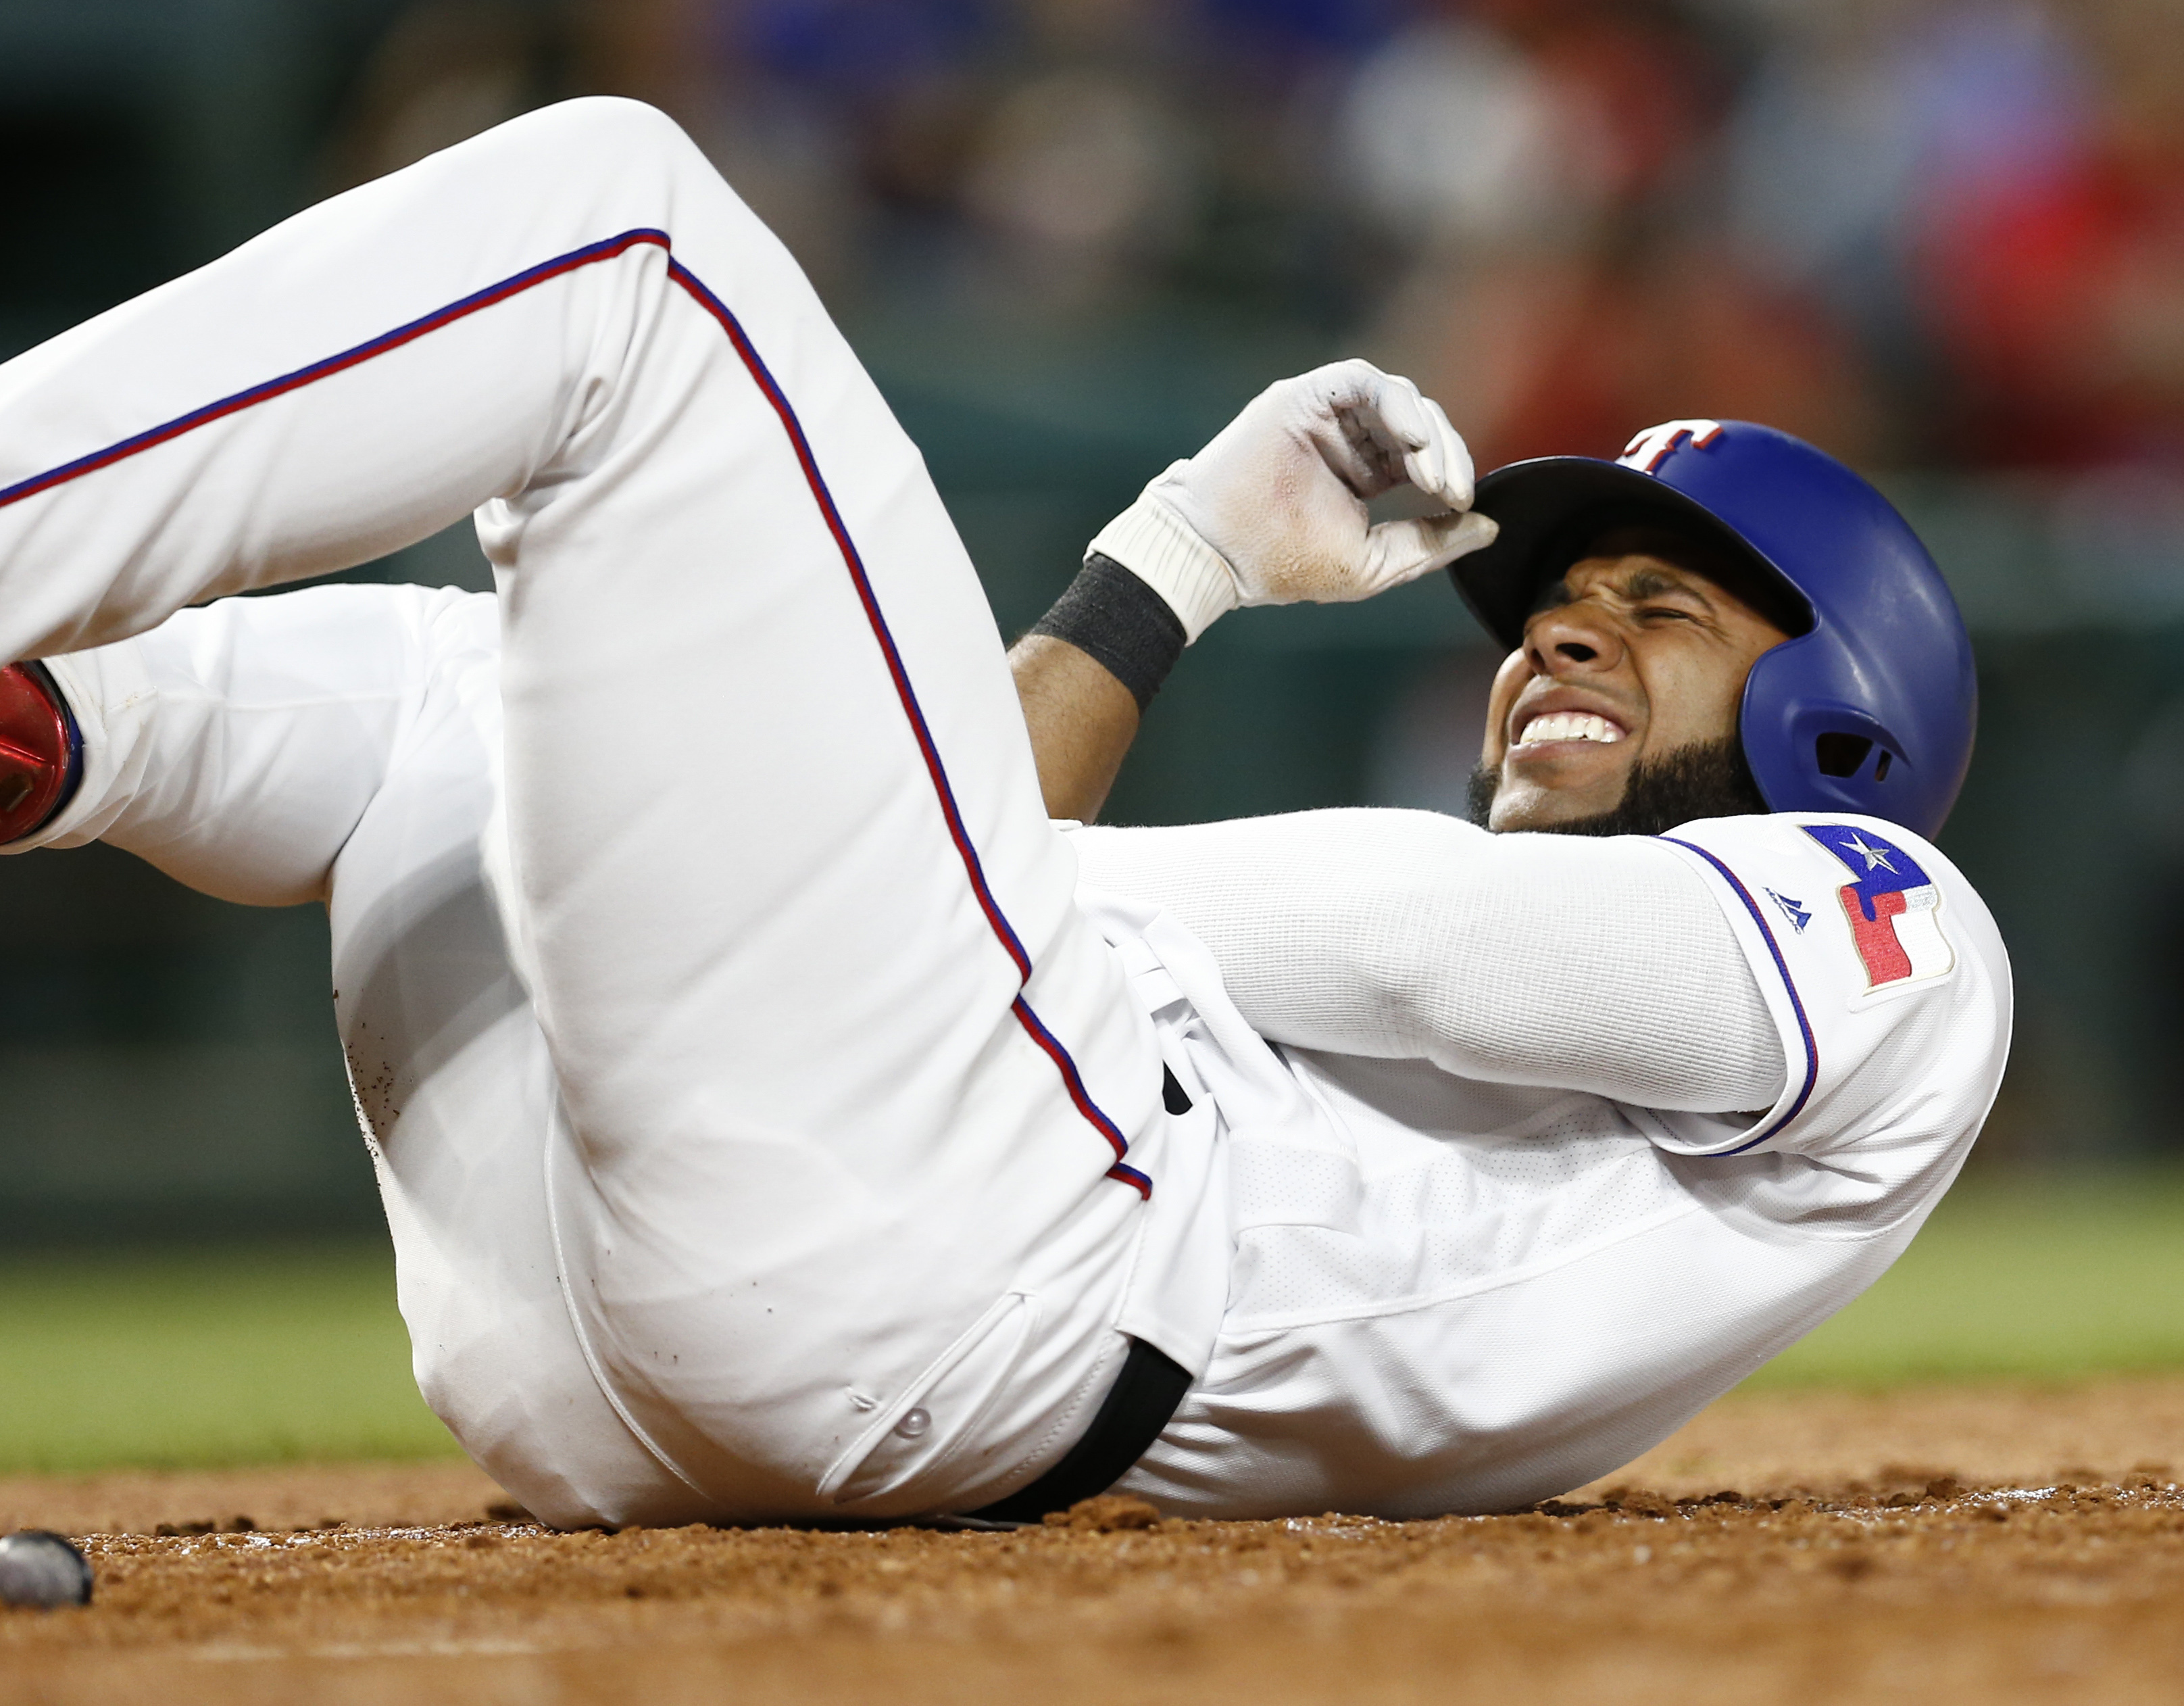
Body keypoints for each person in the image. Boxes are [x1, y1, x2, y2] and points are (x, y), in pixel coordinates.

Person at [0, 99, 2007, 1528]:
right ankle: (50, 722)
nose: (1562, 641)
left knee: (634, 247)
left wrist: (849, 832)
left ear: (1843, 715)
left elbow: (1422, 940)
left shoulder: (1900, 929)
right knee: (472, 689)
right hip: (704, 1328)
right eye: (1551, 610)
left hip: (967, 1289)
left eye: (1660, 613)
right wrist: (1179, 560)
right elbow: (975, 890)